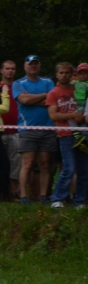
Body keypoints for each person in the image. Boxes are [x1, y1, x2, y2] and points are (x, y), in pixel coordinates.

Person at [13, 55, 57, 204]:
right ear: (25, 66)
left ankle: (43, 196)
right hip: (27, 129)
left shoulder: (48, 81)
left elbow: (52, 101)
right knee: (27, 163)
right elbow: (24, 100)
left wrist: (32, 99)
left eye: (36, 64)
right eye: (30, 64)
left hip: (47, 128)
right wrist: (44, 95)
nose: (33, 66)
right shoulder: (18, 83)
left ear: (39, 66)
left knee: (45, 163)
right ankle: (23, 196)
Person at [47, 62, 87, 208]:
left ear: (72, 74)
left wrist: (81, 117)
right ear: (57, 75)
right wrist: (72, 115)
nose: (64, 75)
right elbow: (53, 115)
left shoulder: (78, 89)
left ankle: (79, 200)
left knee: (83, 170)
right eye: (61, 73)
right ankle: (57, 198)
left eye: (67, 73)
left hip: (82, 133)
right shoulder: (53, 93)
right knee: (69, 168)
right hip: (65, 134)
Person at [0, 61, 21, 199]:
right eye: (7, 68)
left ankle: (13, 191)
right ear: (1, 70)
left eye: (13, 69)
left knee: (16, 163)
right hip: (0, 130)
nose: (10, 71)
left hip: (16, 130)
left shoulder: (19, 87)